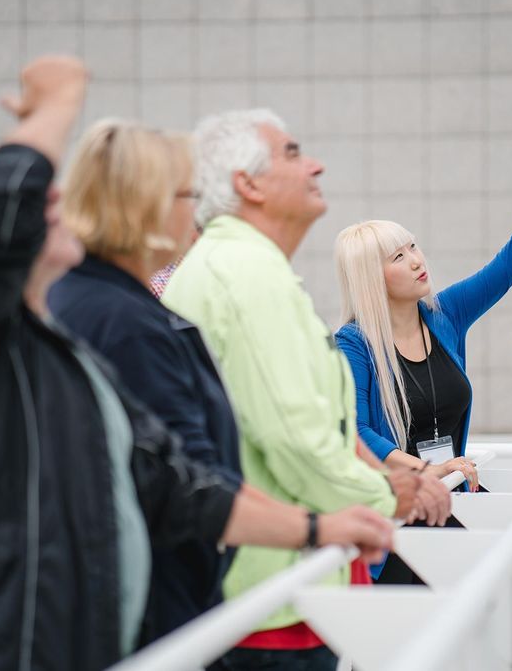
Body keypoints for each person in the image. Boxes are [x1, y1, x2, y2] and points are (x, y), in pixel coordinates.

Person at [0, 58, 393, 671]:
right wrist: (55, 104)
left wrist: (317, 528)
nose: (53, 196)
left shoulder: (62, 351)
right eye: (21, 189)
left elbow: (174, 483)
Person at [161, 109, 452, 671]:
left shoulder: (239, 266)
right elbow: (294, 438)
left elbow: (319, 425)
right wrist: (389, 498)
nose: (315, 165)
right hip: (270, 601)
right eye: (293, 153)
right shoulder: (246, 273)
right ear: (248, 184)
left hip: (269, 587)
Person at [333, 138, 512, 583]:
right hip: (399, 514)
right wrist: (426, 469)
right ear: (372, 277)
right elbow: (357, 431)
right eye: (399, 256)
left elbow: (510, 262)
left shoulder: (444, 315)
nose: (417, 261)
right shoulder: (354, 343)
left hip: (449, 494)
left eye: (413, 247)